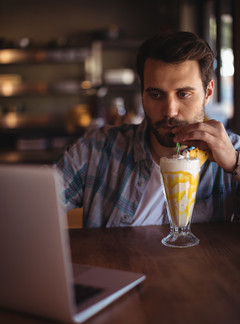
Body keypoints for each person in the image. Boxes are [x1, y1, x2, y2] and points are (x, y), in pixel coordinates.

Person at [55, 31, 240, 228]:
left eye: (183, 94)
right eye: (156, 94)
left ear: (207, 93)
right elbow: (28, 211)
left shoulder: (233, 150)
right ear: (142, 94)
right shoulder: (95, 150)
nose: (170, 111)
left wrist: (234, 164)